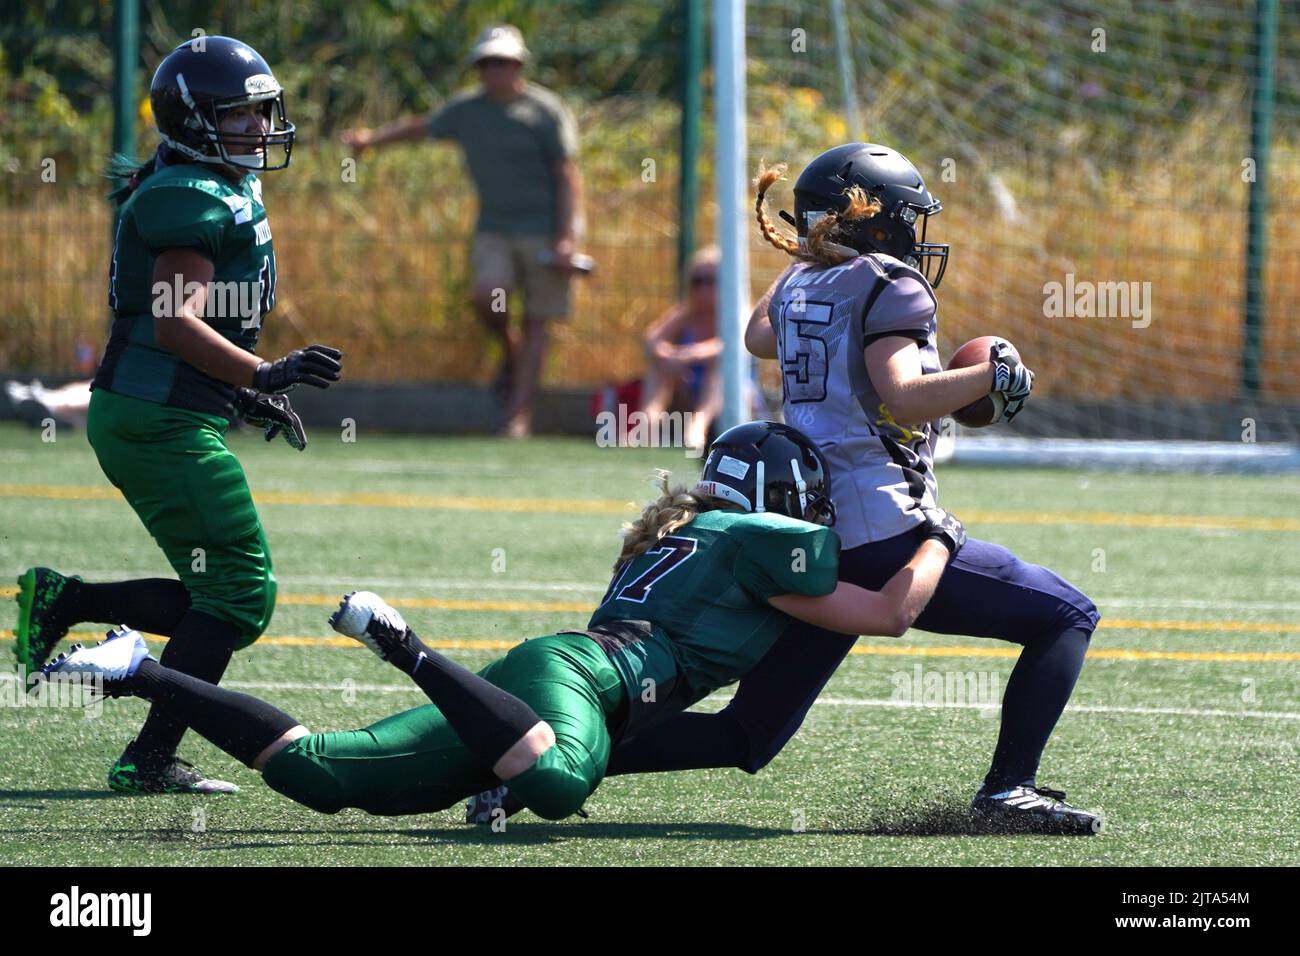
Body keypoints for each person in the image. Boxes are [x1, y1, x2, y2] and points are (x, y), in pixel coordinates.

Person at [545, 144, 1104, 835]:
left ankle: (539, 759)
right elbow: (902, 393)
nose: (916, 232)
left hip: (806, 529)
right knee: (1064, 615)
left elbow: (756, 337)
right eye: (907, 216)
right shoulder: (891, 283)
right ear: (877, 219)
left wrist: (805, 260)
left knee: (750, 733)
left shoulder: (802, 279)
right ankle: (1009, 789)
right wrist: (992, 374)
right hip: (881, 526)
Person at [42, 422, 966, 821]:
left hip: (552, 678)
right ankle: (403, 645)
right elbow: (890, 613)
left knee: (321, 776)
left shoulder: (687, 534)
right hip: (580, 682)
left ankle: (138, 669)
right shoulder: (755, 534)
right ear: (781, 497)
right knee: (564, 786)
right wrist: (936, 535)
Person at [13, 36, 344, 794]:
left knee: (226, 595)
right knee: (238, 594)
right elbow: (172, 321)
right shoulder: (187, 195)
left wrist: (241, 392)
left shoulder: (212, 183)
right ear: (195, 121)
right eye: (241, 115)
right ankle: (148, 754)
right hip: (153, 418)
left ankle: (69, 604)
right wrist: (265, 369)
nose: (261, 129)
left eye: (264, 112)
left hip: (166, 413)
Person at [341, 25, 584, 438]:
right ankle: (511, 352)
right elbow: (421, 128)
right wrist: (370, 141)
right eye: (488, 63)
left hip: (545, 232)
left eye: (504, 62)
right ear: (478, 68)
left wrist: (568, 235)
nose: (496, 70)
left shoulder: (546, 110)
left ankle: (517, 416)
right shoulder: (467, 110)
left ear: (519, 64)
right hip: (495, 229)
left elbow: (568, 175)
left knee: (538, 321)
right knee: (488, 297)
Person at [640, 247, 724, 453]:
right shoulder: (686, 313)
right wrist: (667, 355)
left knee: (719, 367)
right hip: (687, 388)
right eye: (698, 281)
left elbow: (733, 347)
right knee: (660, 367)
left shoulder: (735, 311)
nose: (704, 288)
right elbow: (651, 339)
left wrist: (688, 354)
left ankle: (697, 429)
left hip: (729, 395)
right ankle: (647, 426)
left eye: (711, 280)